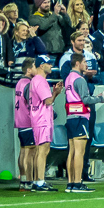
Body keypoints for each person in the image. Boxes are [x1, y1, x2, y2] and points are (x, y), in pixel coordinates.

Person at [63, 53, 104, 192]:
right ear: (78, 63)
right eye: (85, 62)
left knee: (72, 151)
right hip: (80, 117)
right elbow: (85, 100)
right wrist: (102, 98)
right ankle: (78, 183)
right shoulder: (79, 79)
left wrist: (94, 97)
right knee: (80, 151)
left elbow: (77, 98)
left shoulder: (68, 78)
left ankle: (71, 183)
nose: (86, 65)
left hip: (71, 116)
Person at [28, 55, 62, 192]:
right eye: (48, 64)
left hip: (39, 118)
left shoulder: (37, 80)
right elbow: (48, 101)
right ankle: (40, 182)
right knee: (42, 150)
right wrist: (56, 93)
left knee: (41, 151)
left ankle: (38, 180)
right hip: (42, 119)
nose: (50, 66)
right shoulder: (40, 81)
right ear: (41, 65)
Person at [15, 60, 36, 192]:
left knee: (23, 151)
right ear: (29, 70)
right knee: (30, 152)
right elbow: (32, 103)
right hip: (28, 121)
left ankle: (23, 180)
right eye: (34, 66)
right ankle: (29, 181)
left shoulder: (19, 83)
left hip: (19, 121)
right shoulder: (29, 84)